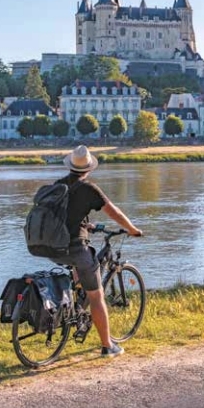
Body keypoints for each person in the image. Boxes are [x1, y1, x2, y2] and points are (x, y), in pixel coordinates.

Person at [54, 145, 143, 357]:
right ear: (89, 168)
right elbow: (115, 213)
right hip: (74, 247)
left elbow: (67, 215)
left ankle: (76, 312)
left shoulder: (58, 186)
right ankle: (107, 346)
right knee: (97, 294)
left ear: (70, 166)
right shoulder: (88, 189)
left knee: (81, 270)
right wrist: (133, 230)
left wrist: (87, 225)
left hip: (52, 246)